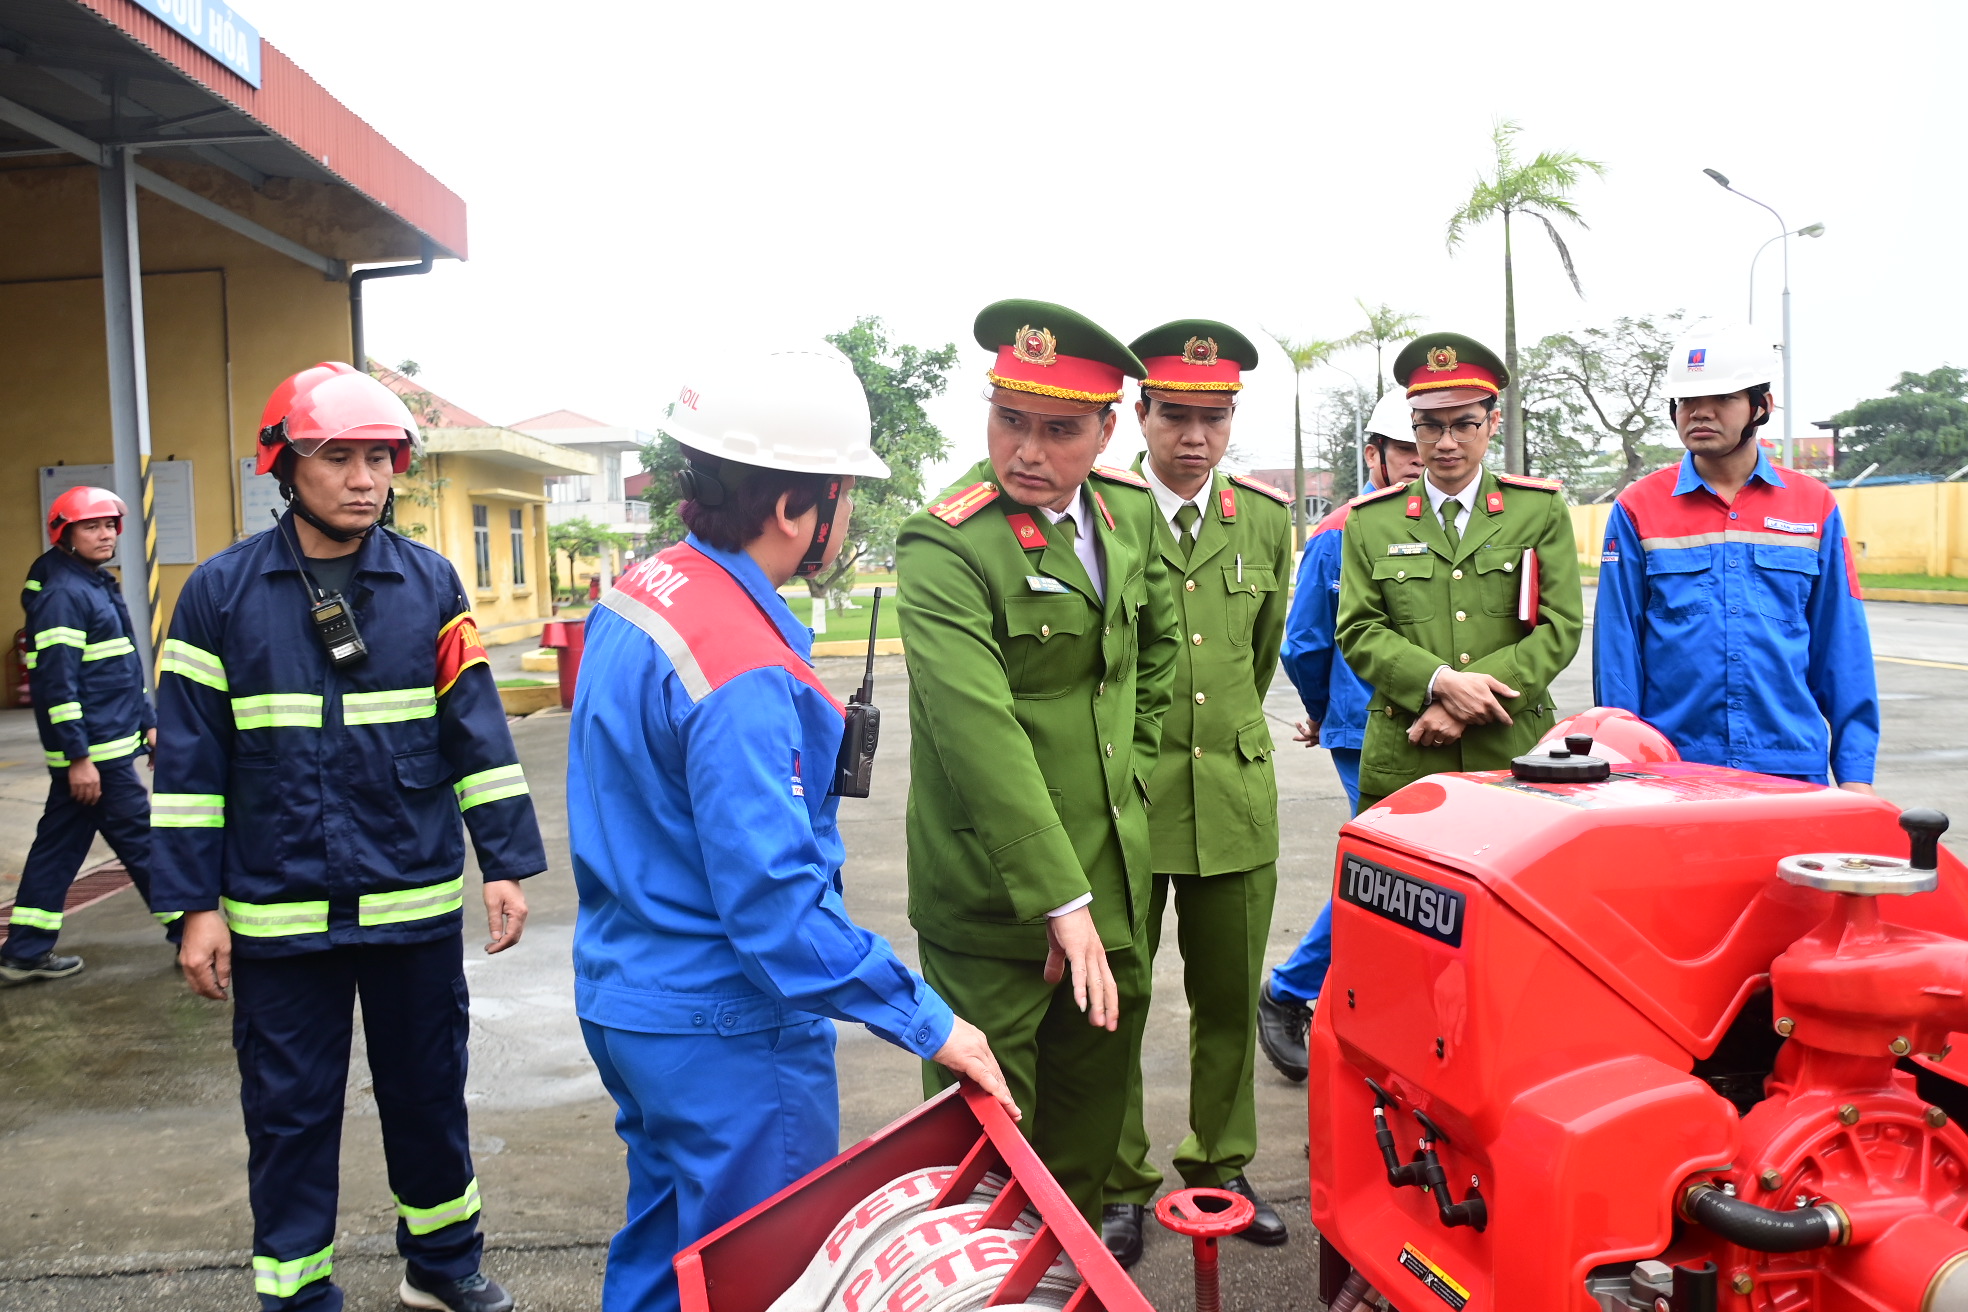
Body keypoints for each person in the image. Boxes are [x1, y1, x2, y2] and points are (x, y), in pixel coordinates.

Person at [568, 345, 1016, 1312]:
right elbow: (777, 910)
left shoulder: (643, 590)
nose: (846, 515)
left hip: (627, 1001)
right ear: (792, 510)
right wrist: (929, 1021)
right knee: (754, 1275)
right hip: (727, 1029)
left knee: (660, 1252)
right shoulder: (742, 667)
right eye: (843, 492)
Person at [154, 362, 545, 1312]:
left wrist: (504, 864)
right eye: (339, 457)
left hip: (411, 904)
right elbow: (188, 770)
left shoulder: (430, 584)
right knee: (289, 1116)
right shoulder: (218, 595)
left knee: (427, 1099)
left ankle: (444, 1269)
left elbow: (477, 735)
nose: (364, 478)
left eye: (380, 457)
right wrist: (192, 909)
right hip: (279, 918)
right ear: (286, 466)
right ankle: (296, 1293)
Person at [898, 300, 1179, 1222]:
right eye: (1009, 420)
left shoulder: (1128, 516)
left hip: (1114, 879)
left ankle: (1070, 1265)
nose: (1026, 450)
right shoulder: (946, 542)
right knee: (985, 1145)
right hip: (993, 898)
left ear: (1108, 430)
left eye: (1059, 430)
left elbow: (1151, 661)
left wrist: (1125, 795)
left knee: (1090, 1123)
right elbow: (978, 736)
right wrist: (1061, 899)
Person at [1099, 320, 1292, 1266]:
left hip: (1232, 796)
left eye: (1212, 419)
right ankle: (1119, 1179)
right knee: (1121, 997)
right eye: (1175, 414)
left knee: (1225, 997)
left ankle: (1219, 1164)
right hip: (1127, 805)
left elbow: (1258, 662)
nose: (1193, 437)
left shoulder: (1261, 519)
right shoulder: (1104, 510)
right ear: (1140, 414)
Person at [1594, 323, 1877, 790]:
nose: (1699, 414)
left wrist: (1856, 774)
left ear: (1760, 407)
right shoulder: (1637, 507)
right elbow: (1618, 650)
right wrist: (1628, 766)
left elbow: (1841, 645)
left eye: (1722, 398)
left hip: (1788, 765)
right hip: (1671, 768)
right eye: (1687, 401)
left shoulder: (1813, 505)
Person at [1335, 333, 1584, 810]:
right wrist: (1441, 682)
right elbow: (1359, 629)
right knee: (1401, 884)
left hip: (1512, 750)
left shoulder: (1539, 509)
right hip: (1408, 748)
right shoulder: (1370, 520)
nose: (1445, 443)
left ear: (1492, 423)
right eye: (1429, 427)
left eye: (1463, 425)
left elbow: (1561, 627)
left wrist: (1464, 705)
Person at [1257, 391, 1425, 1080]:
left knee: (1420, 875)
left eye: (1433, 441)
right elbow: (1303, 644)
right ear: (1376, 455)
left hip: (1443, 726)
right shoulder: (1338, 532)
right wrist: (1329, 713)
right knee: (1386, 871)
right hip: (1367, 729)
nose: (1422, 459)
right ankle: (1292, 989)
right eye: (1408, 448)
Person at [4, 487, 171, 983]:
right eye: (91, 527)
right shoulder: (64, 595)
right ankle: (191, 932)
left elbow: (121, 669)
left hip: (108, 747)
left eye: (110, 525)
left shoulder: (92, 583)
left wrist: (149, 723)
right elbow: (58, 686)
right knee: (144, 843)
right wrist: (78, 758)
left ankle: (24, 950)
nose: (106, 535)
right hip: (98, 758)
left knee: (58, 848)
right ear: (65, 533)